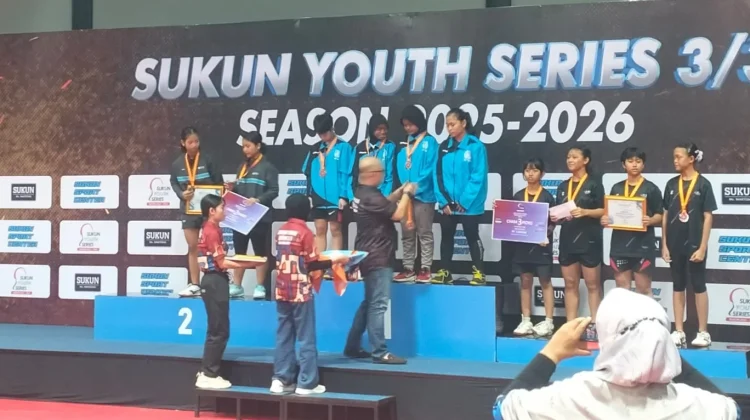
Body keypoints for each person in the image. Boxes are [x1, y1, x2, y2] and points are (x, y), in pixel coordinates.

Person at [493, 288, 740, 420]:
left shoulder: (572, 396)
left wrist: (550, 353)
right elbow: (732, 410)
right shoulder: (695, 404)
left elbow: (502, 409)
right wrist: (661, 348)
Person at [270, 194, 350, 395]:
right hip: (300, 291)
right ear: (305, 210)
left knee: (283, 336)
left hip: (281, 290)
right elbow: (311, 264)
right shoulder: (305, 232)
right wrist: (335, 260)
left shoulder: (281, 231)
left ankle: (280, 379)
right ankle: (306, 383)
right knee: (306, 337)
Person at [345, 157, 413, 364]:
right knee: (378, 305)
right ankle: (379, 352)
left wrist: (398, 193)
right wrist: (408, 194)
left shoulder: (362, 193)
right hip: (379, 256)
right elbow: (397, 215)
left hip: (368, 254)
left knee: (369, 303)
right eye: (382, 172)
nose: (384, 176)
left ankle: (352, 346)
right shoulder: (371, 196)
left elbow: (385, 205)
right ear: (373, 174)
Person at [195, 194, 260, 389]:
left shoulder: (212, 228)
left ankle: (207, 371)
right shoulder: (211, 231)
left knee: (216, 329)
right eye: (222, 207)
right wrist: (250, 264)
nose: (225, 211)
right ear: (211, 211)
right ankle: (209, 374)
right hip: (214, 281)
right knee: (219, 330)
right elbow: (222, 263)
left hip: (213, 281)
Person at [662, 143, 716, 348]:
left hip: (695, 243)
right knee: (678, 285)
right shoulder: (671, 185)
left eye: (679, 157)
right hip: (675, 242)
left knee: (699, 285)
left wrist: (702, 247)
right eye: (674, 157)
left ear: (691, 159)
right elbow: (665, 215)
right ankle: (679, 331)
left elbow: (708, 217)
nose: (675, 161)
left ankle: (703, 332)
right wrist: (664, 244)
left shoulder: (703, 184)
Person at [551, 146, 604, 340]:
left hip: (589, 239)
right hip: (567, 239)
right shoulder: (562, 186)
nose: (570, 160)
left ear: (586, 160)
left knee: (592, 284)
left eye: (574, 157)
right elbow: (557, 212)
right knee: (570, 283)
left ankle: (596, 325)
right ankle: (570, 327)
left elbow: (604, 210)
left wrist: (585, 212)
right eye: (568, 157)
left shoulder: (594, 184)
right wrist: (555, 217)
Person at [432, 108, 489, 286]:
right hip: (448, 204)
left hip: (469, 205)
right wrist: (444, 202)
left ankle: (479, 272)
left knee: (472, 236)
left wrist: (464, 201)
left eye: (452, 124)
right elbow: (437, 175)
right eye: (447, 125)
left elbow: (478, 176)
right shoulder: (443, 147)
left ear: (463, 123)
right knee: (446, 236)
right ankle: (445, 272)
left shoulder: (475, 146)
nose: (449, 128)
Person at [170, 127, 224, 298]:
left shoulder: (208, 160)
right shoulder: (177, 164)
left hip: (208, 210)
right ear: (183, 143)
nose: (194, 145)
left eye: (196, 141)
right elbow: (174, 182)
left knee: (212, 246)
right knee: (193, 247)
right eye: (190, 142)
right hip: (189, 210)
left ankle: (216, 282)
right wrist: (181, 194)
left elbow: (219, 183)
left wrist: (217, 203)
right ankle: (195, 284)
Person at [224, 131, 279, 300]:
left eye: (248, 146)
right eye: (243, 147)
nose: (245, 150)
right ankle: (237, 286)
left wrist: (258, 199)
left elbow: (274, 191)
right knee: (239, 251)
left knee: (259, 252)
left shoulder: (268, 168)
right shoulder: (242, 167)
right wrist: (232, 188)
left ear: (258, 146)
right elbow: (239, 189)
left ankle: (260, 286)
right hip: (240, 217)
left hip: (259, 217)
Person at [601, 147, 663, 295]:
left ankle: (646, 313)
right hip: (619, 246)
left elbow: (660, 215)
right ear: (624, 164)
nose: (634, 164)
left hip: (642, 246)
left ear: (643, 164)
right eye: (630, 161)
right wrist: (605, 219)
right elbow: (609, 214)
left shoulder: (651, 188)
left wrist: (650, 220)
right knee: (622, 292)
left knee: (644, 290)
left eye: (638, 161)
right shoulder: (616, 188)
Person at [393, 105, 438, 284]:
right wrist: (405, 188)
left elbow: (431, 168)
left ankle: (425, 268)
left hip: (423, 195)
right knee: (407, 233)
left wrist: (415, 186)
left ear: (419, 122)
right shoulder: (404, 143)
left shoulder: (430, 142)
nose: (408, 128)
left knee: (424, 233)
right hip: (406, 195)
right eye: (405, 125)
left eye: (411, 124)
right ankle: (408, 268)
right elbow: (399, 167)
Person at [512, 158, 556, 337]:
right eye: (527, 170)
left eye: (535, 170)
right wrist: (500, 210)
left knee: (545, 282)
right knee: (525, 281)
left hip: (541, 247)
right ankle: (526, 320)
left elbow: (553, 222)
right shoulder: (518, 196)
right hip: (523, 247)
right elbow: (512, 220)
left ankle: (549, 321)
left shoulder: (547, 197)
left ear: (542, 173)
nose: (530, 174)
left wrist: (546, 234)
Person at [301, 112, 354, 255]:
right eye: (320, 134)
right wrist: (309, 195)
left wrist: (344, 196)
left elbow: (347, 173)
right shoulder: (315, 149)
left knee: (335, 229)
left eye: (325, 133)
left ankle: (335, 264)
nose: (323, 137)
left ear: (332, 128)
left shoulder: (344, 147)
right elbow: (307, 173)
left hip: (335, 197)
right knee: (319, 229)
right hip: (317, 196)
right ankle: (319, 262)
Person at [351, 114, 397, 197]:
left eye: (385, 128)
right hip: (362, 196)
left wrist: (385, 199)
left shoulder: (390, 147)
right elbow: (353, 175)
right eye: (379, 129)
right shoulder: (359, 148)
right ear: (372, 129)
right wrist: (352, 198)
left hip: (382, 196)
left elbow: (390, 177)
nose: (383, 132)